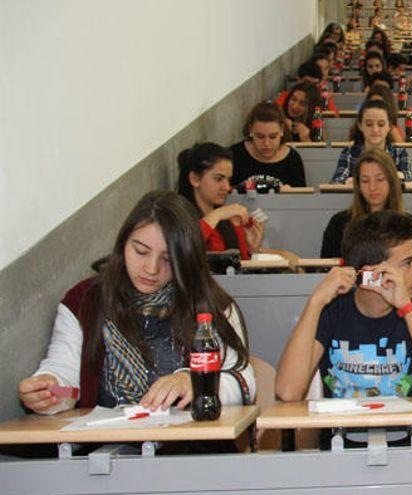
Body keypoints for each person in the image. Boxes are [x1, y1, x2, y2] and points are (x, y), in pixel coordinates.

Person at [19, 191, 254, 415]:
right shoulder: (85, 300)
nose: (151, 269)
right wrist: (47, 390)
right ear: (123, 243)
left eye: (168, 260)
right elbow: (65, 379)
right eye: (140, 251)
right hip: (105, 446)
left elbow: (245, 380)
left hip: (187, 449)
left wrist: (197, 383)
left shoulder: (209, 303)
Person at [275, 211, 412, 446]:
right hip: (341, 449)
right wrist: (316, 302)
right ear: (373, 274)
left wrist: (407, 309)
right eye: (408, 262)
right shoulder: (333, 308)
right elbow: (288, 391)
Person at [177, 142, 300, 265]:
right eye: (218, 178)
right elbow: (183, 251)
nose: (227, 187)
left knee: (292, 260)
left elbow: (240, 266)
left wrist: (252, 249)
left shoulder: (227, 219)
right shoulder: (178, 217)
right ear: (195, 179)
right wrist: (217, 214)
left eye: (228, 179)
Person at [321, 149, 412, 258]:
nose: (372, 187)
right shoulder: (338, 224)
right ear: (358, 185)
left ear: (391, 182)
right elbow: (326, 269)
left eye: (380, 179)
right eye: (365, 181)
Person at [331, 100, 412, 184]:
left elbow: (409, 182)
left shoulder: (399, 153)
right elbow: (336, 183)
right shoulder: (349, 152)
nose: (375, 130)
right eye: (369, 124)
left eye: (381, 124)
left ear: (389, 127)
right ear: (360, 125)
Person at [230, 102, 306, 191]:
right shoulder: (235, 154)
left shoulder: (292, 158)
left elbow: (301, 199)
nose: (266, 143)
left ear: (281, 130)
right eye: (260, 136)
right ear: (250, 130)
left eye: (273, 137)